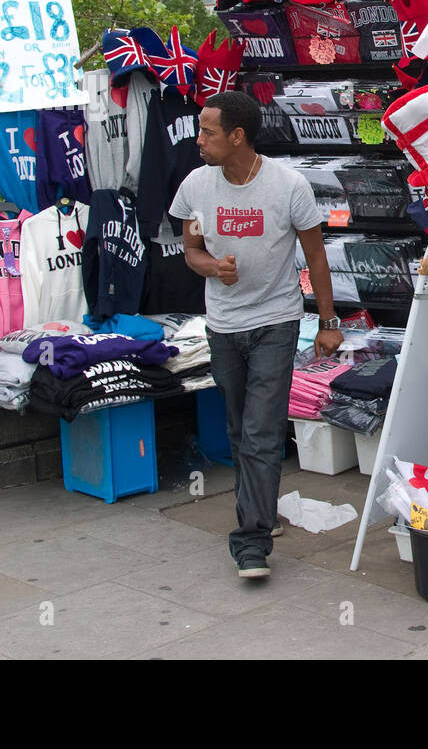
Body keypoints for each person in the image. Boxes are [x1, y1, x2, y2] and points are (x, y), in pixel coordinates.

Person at [170, 91, 343, 578]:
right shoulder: (195, 187)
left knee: (262, 432)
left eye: (208, 131)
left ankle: (252, 541)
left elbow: (315, 257)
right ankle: (261, 506)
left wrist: (328, 324)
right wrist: (213, 267)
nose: (199, 139)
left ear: (236, 136)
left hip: (276, 321)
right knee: (238, 428)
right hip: (223, 325)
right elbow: (192, 251)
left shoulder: (288, 186)